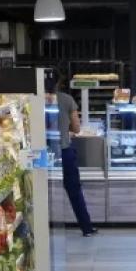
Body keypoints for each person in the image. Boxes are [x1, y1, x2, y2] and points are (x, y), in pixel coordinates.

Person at [50, 70, 97, 236]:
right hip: (64, 151)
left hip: (43, 155)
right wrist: (66, 129)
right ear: (58, 83)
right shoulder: (66, 99)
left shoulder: (34, 100)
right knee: (74, 190)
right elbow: (77, 128)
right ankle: (86, 228)